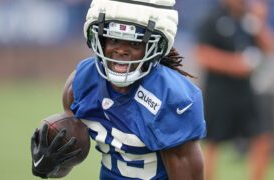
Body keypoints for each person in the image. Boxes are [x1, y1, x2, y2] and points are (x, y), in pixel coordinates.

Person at [30, 0, 207, 179]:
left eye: (135, 43)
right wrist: (50, 165)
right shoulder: (82, 82)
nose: (121, 50)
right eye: (114, 39)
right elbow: (70, 151)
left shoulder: (171, 98)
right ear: (99, 39)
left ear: (153, 47)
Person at [194, 0, 274, 180]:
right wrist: (234, 64)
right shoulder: (212, 19)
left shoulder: (249, 20)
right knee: (212, 144)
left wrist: (260, 22)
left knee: (262, 139)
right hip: (219, 92)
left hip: (246, 91)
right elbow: (202, 54)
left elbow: (271, 48)